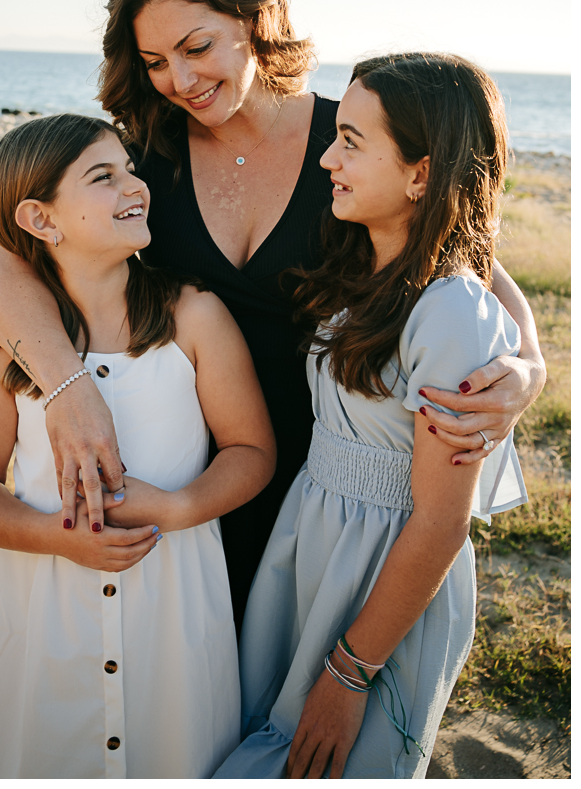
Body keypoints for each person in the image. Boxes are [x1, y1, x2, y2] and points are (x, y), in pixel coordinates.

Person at [0, 0, 545, 626]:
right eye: (154, 60)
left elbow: (465, 258)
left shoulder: (353, 144)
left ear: (256, 19)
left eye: (197, 47)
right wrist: (69, 393)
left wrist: (530, 365)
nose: (179, 81)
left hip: (330, 485)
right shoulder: (145, 162)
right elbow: (0, 264)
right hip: (191, 480)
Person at [213, 53, 529, 780]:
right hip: (311, 550)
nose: (326, 158)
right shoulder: (363, 264)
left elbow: (442, 520)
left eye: (352, 141)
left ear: (422, 173)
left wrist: (351, 673)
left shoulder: (450, 312)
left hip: (382, 577)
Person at [0, 114, 275, 779]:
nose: (136, 185)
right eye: (104, 176)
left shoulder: (193, 315)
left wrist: (181, 507)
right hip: (48, 612)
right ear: (42, 220)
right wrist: (54, 536)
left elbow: (252, 451)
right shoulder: (12, 352)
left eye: (129, 168)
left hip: (173, 613)